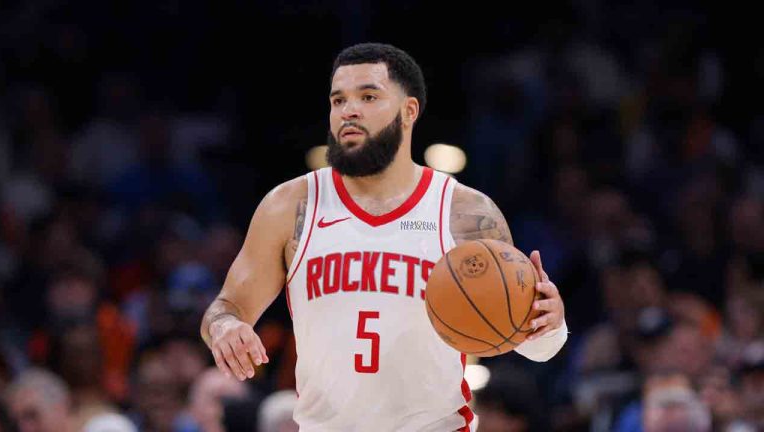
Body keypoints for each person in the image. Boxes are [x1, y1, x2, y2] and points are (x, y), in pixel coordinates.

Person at [200, 42, 568, 431]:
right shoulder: (289, 206)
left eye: (368, 96)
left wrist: (549, 321)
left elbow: (534, 344)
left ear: (409, 111)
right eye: (338, 100)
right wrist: (226, 328)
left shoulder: (465, 212)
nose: (349, 111)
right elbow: (225, 308)